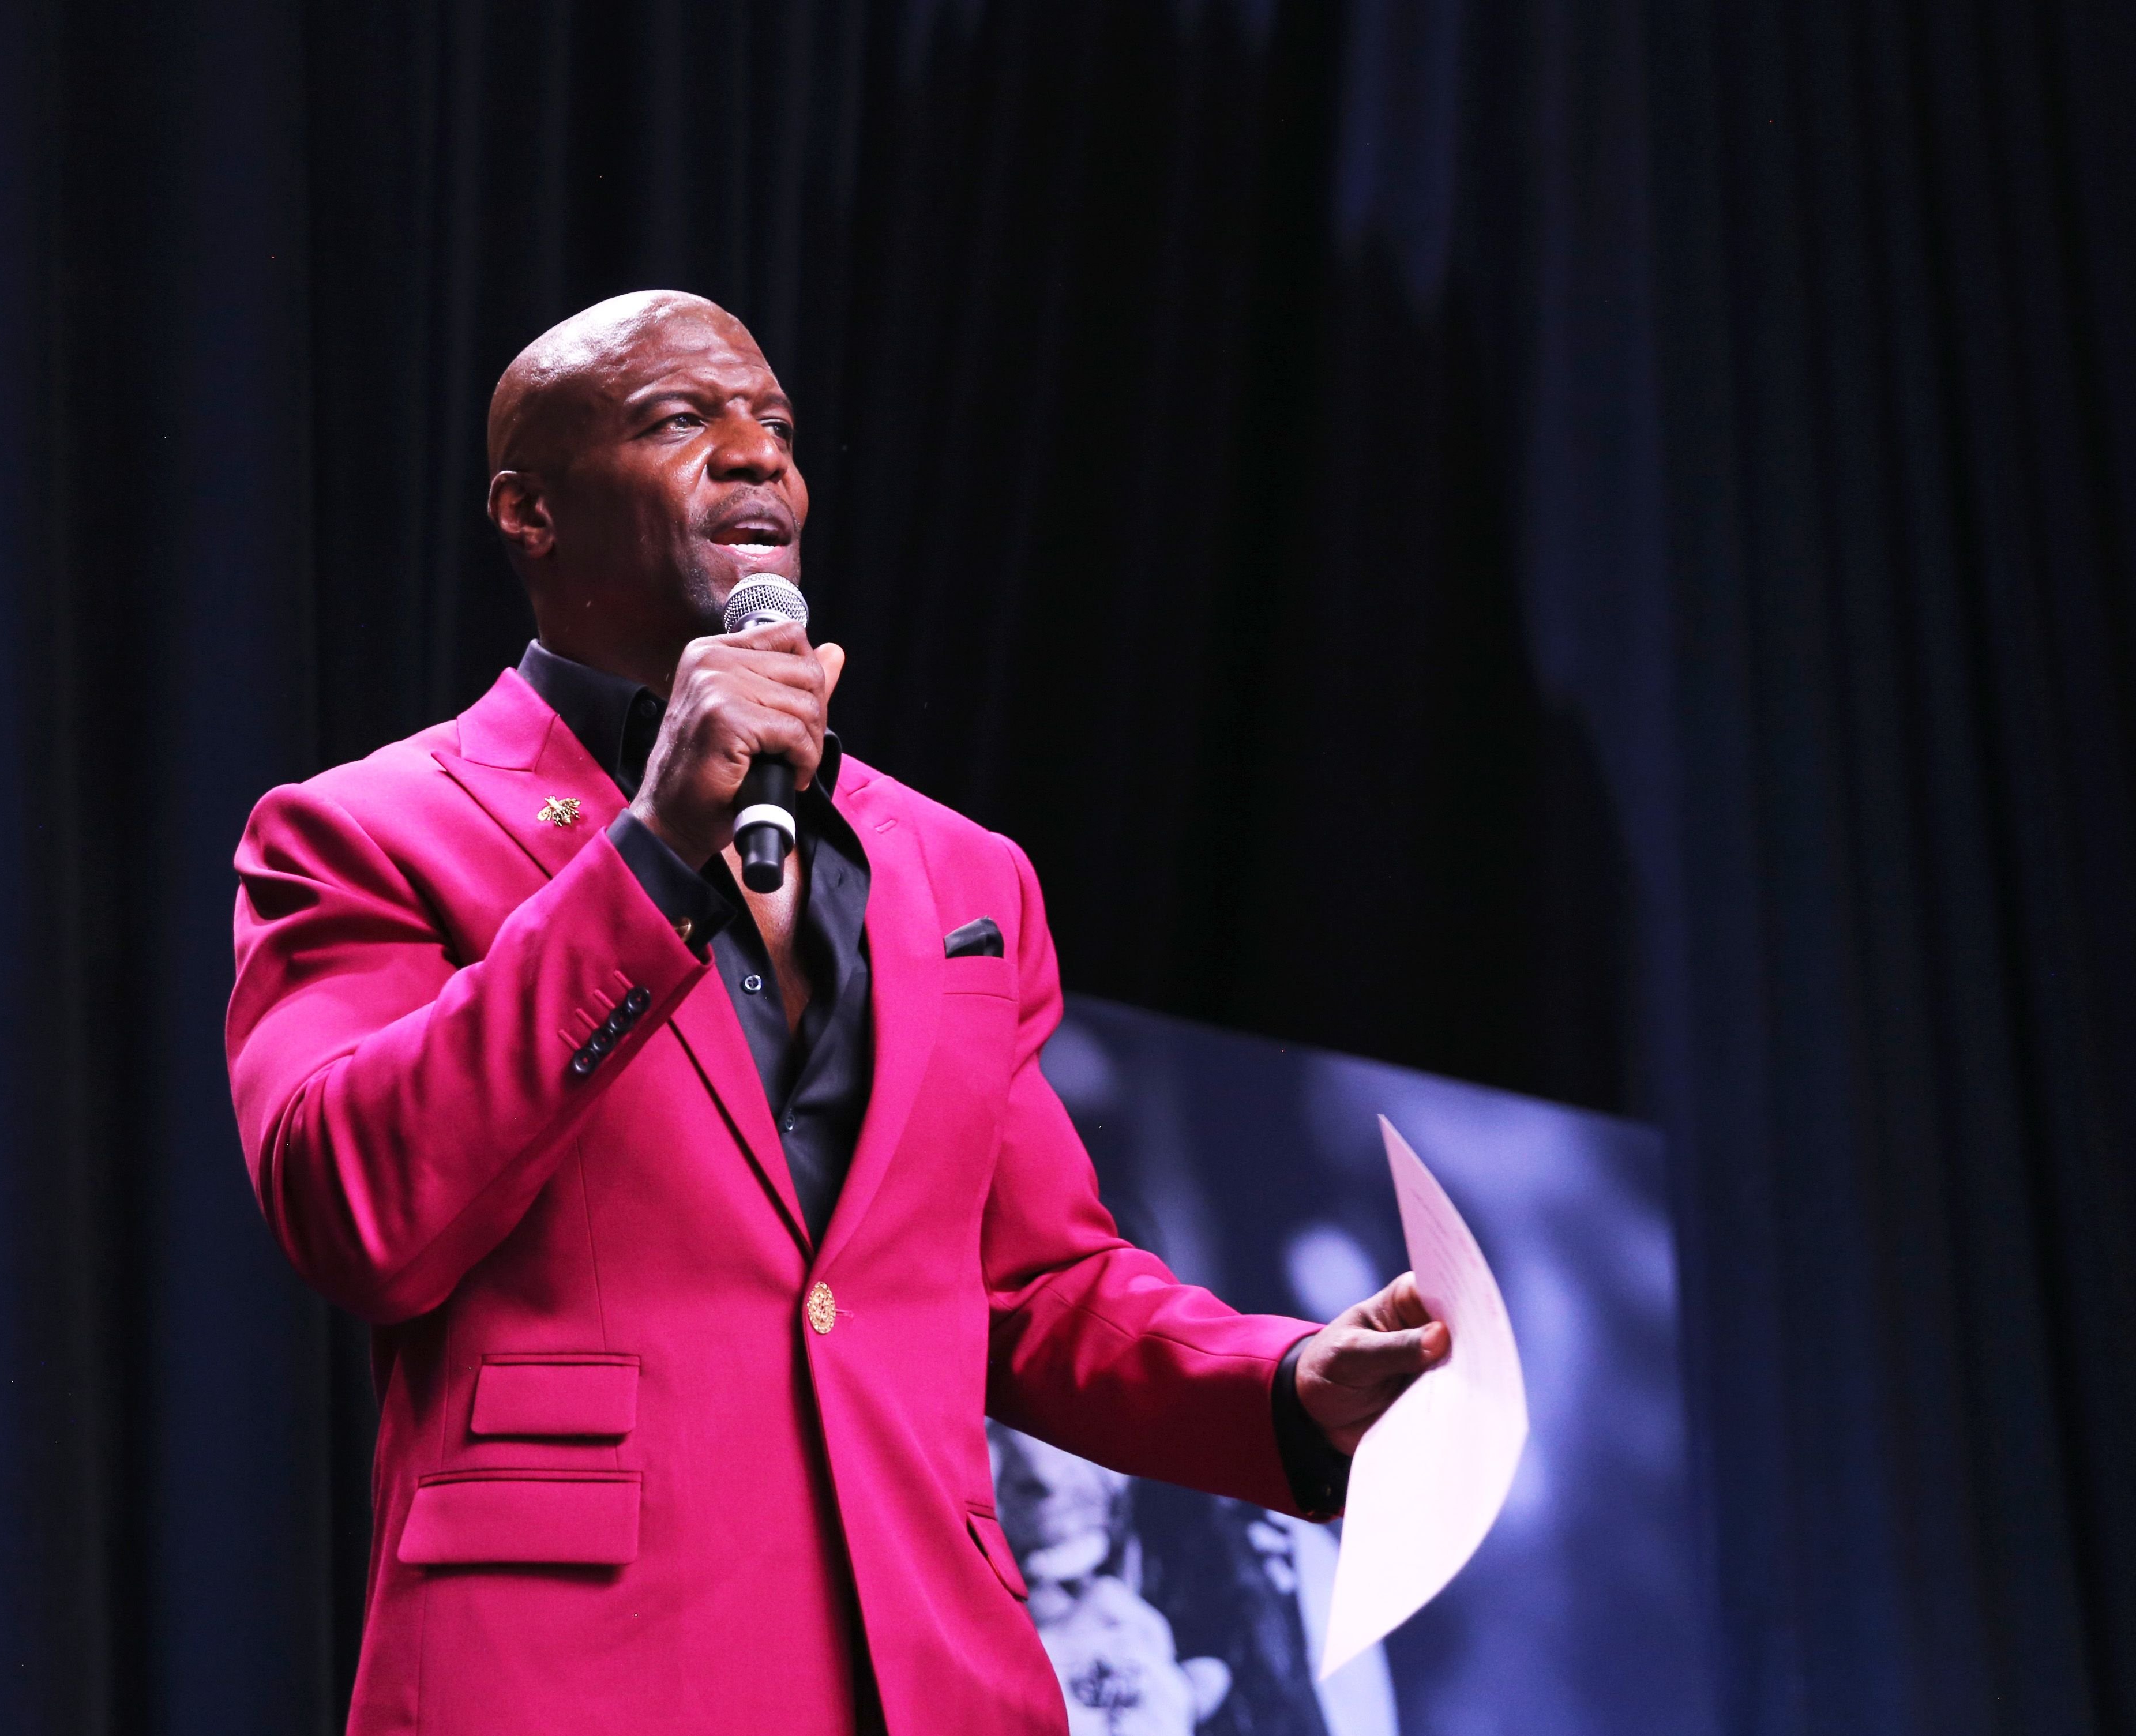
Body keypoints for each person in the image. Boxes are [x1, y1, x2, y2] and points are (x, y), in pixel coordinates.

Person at [224, 290, 1450, 1735]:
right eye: (684, 419)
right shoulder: (364, 830)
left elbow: (1027, 1283)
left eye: (780, 430)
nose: (757, 457)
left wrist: (1285, 1386)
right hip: (577, 1675)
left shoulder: (957, 870)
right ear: (528, 511)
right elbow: (352, 1202)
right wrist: (647, 854)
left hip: (926, 1668)